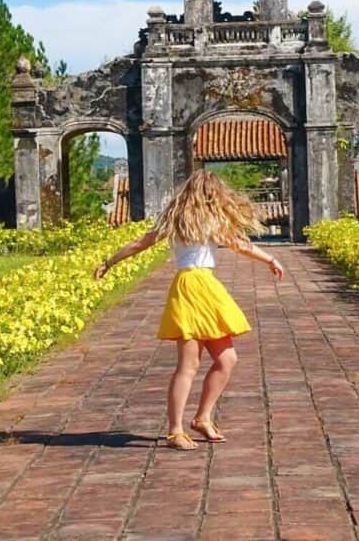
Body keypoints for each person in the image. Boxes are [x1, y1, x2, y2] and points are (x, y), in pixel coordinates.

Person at [94, 169, 284, 450]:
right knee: (188, 366)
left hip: (206, 286)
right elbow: (141, 243)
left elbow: (237, 244)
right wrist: (109, 263)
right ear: (211, 195)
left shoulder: (205, 220)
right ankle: (175, 431)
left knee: (227, 359)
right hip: (191, 286)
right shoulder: (177, 221)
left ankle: (202, 418)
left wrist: (269, 258)